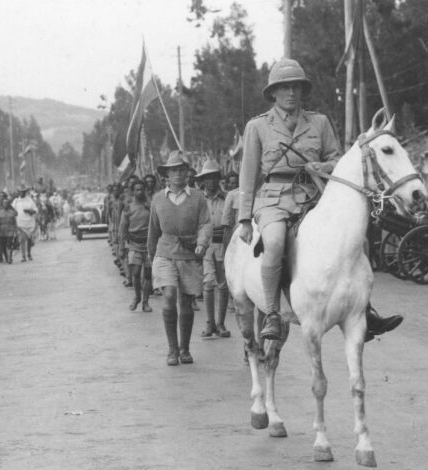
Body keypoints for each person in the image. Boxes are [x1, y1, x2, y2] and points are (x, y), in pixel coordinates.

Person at [237, 58, 402, 341]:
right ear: (273, 93)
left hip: (314, 196)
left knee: (353, 240)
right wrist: (244, 219)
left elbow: (336, 160)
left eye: (296, 87)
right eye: (284, 87)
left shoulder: (319, 122)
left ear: (303, 91)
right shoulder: (258, 127)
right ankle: (273, 315)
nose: (291, 93)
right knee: (275, 242)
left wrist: (322, 167)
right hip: (274, 199)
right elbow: (248, 175)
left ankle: (365, 310)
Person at [148, 151, 212, 366]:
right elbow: (153, 231)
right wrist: (150, 258)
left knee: (185, 303)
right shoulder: (158, 199)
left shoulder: (198, 197)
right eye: (173, 170)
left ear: (188, 173)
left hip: (189, 254)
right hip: (164, 253)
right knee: (169, 296)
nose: (178, 174)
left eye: (182, 169)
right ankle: (172, 349)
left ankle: (184, 349)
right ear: (166, 174)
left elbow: (205, 223)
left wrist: (202, 243)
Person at [194, 159, 231, 338]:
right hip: (206, 245)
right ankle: (210, 323)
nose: (210, 181)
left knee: (223, 286)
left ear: (218, 179)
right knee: (208, 284)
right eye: (207, 177)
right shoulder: (198, 199)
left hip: (223, 244)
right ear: (203, 180)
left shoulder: (227, 198)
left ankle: (221, 323)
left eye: (214, 177)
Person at [118, 180, 152, 312]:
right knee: (136, 273)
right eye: (137, 189)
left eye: (141, 189)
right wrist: (121, 247)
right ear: (133, 192)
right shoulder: (128, 208)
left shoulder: (149, 207)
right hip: (134, 245)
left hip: (148, 245)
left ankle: (145, 302)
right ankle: (137, 297)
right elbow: (122, 228)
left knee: (148, 275)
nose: (140, 192)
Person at [12, 184, 37, 262]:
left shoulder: (29, 200)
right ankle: (23, 256)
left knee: (29, 239)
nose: (22, 193)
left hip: (29, 222)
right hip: (20, 224)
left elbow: (36, 209)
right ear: (19, 192)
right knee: (22, 239)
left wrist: (31, 211)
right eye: (20, 192)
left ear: (25, 192)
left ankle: (29, 253)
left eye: (23, 192)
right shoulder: (16, 201)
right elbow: (12, 211)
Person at [0, 197, 17, 264]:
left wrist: (15, 231)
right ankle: (5, 257)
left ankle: (9, 259)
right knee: (2, 245)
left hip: (10, 231)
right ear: (2, 204)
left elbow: (15, 220)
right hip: (2, 231)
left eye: (7, 203)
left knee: (9, 245)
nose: (5, 204)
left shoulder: (12, 212)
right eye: (4, 203)